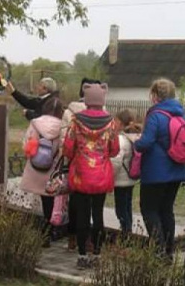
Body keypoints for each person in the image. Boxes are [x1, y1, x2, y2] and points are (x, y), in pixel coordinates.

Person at [63, 82, 119, 269]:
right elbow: (114, 150)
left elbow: (68, 148)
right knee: (98, 215)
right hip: (101, 176)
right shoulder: (111, 121)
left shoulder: (75, 120)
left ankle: (81, 255)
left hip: (81, 175)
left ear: (86, 99)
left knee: (82, 216)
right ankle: (97, 254)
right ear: (102, 99)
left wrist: (79, 155)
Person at [134, 78, 185, 260]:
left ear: (155, 95)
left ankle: (157, 249)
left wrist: (137, 142)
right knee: (166, 209)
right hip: (177, 170)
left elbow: (147, 142)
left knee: (149, 209)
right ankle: (168, 250)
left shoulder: (156, 114)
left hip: (156, 172)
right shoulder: (180, 114)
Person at [60, 77, 101, 251]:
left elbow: (65, 141)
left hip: (77, 165)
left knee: (76, 205)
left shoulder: (70, 115)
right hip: (99, 167)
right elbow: (112, 147)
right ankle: (92, 243)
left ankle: (75, 239)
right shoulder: (106, 115)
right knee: (95, 208)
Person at [19, 92, 64, 247]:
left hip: (35, 167)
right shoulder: (63, 125)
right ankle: (50, 230)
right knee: (50, 200)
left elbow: (26, 144)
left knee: (39, 200)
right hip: (52, 169)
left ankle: (43, 231)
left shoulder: (35, 123)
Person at [111, 109, 141, 238]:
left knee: (121, 209)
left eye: (116, 121)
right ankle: (128, 230)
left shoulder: (121, 140)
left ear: (121, 123)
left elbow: (116, 161)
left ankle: (126, 234)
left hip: (121, 180)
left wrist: (110, 176)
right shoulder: (135, 137)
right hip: (131, 178)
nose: (114, 123)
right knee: (127, 206)